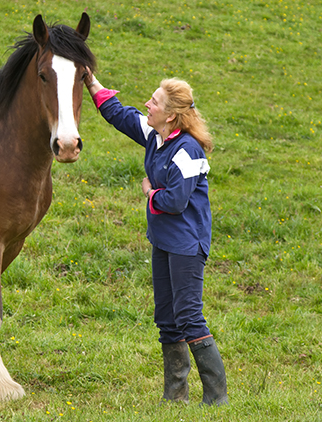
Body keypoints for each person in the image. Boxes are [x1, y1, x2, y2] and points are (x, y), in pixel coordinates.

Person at [84, 72, 228, 406]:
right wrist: (91, 82)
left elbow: (176, 202)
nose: (147, 104)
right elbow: (120, 114)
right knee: (167, 318)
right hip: (163, 241)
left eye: (155, 102)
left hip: (187, 244)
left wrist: (150, 192)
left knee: (189, 316)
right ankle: (175, 396)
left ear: (171, 115)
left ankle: (216, 400)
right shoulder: (156, 134)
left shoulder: (188, 151)